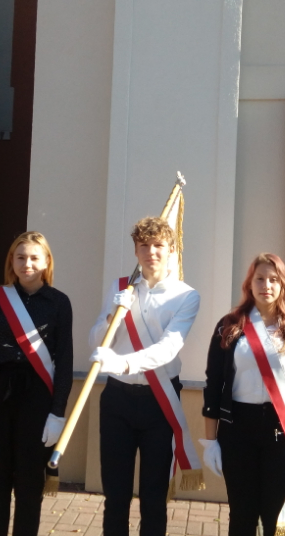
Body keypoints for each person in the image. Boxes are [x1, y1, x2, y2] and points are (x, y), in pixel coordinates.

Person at [88, 216, 201, 536]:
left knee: (153, 497)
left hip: (159, 401)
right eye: (144, 245)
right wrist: (111, 316)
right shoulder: (119, 287)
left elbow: (168, 349)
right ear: (136, 251)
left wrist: (122, 363)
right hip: (118, 399)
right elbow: (95, 342)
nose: (151, 252)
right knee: (115, 496)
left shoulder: (186, 296)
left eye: (158, 245)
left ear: (172, 250)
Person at [201, 253, 285, 536]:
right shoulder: (228, 325)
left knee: (276, 521)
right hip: (237, 432)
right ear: (249, 283)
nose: (266, 285)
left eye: (273, 279)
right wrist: (210, 442)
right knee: (242, 517)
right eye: (259, 278)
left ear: (283, 285)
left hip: (281, 435)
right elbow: (213, 385)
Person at [0, 231, 73, 536]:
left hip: (37, 397)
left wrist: (58, 412)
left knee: (30, 485)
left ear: (46, 262)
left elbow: (64, 362)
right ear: (12, 261)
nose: (27, 264)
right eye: (20, 257)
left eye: (34, 257)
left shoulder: (59, 303)